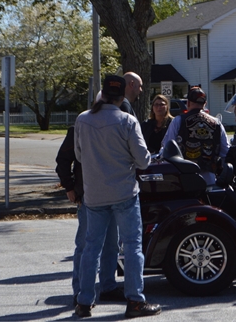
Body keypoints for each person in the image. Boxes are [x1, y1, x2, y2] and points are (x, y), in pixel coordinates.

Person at [74, 75, 161, 319]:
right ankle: (134, 300)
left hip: (94, 193)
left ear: (103, 94)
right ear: (122, 96)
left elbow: (79, 156)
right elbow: (143, 160)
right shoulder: (127, 121)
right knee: (132, 246)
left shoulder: (83, 119)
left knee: (92, 247)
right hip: (123, 192)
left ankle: (84, 300)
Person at [55, 127, 124, 308]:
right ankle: (80, 292)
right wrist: (69, 187)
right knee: (86, 245)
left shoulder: (116, 126)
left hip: (114, 194)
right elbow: (62, 160)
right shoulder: (80, 127)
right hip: (88, 195)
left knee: (111, 243)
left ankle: (108, 286)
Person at [161, 86, 229, 185]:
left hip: (184, 177)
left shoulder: (178, 120)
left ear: (188, 103)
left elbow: (167, 147)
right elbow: (225, 151)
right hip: (209, 178)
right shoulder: (217, 123)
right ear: (204, 104)